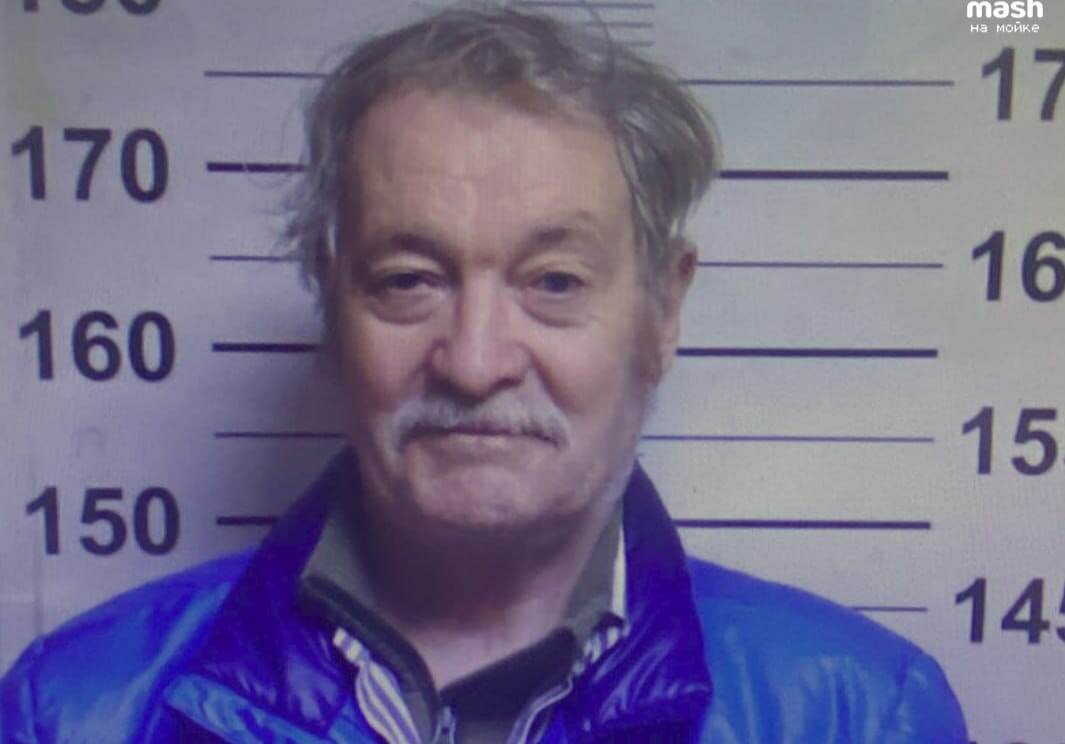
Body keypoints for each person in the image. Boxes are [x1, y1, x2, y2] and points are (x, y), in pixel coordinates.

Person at [0, 6, 967, 743]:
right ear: (330, 303)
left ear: (662, 313)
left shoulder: (858, 716)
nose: (472, 362)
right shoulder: (73, 713)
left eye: (553, 282)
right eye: (407, 280)